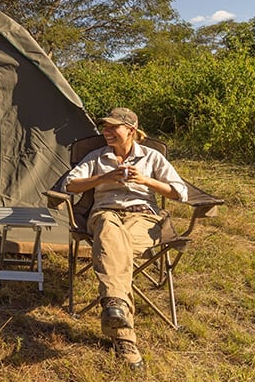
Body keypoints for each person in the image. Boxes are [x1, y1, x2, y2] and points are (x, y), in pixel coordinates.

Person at [62, 107, 188, 370]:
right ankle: (124, 335)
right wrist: (106, 177)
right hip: (105, 215)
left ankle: (115, 309)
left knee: (114, 254)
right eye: (104, 127)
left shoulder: (151, 158)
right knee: (110, 230)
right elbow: (69, 185)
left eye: (112, 127)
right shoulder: (96, 157)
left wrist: (146, 181)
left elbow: (179, 191)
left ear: (131, 130)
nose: (106, 131)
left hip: (143, 218)